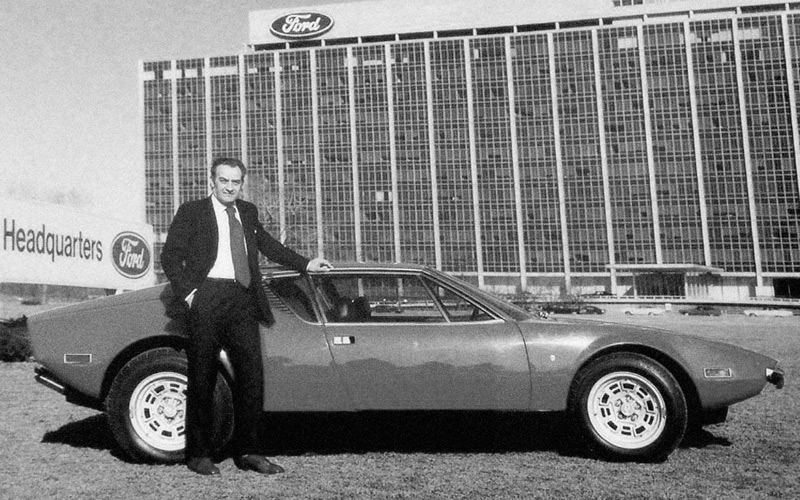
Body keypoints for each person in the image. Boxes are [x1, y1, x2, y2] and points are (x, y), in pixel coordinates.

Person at [160, 157, 332, 476]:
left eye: (235, 182)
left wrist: (305, 264)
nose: (229, 187)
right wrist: (190, 293)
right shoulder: (192, 212)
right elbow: (169, 256)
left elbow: (270, 246)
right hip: (207, 296)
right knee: (203, 376)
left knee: (251, 378)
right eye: (223, 180)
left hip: (243, 299)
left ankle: (249, 451)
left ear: (242, 183)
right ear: (212, 181)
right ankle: (198, 454)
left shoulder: (248, 212)